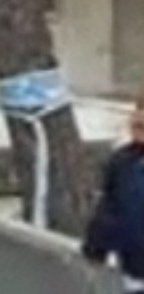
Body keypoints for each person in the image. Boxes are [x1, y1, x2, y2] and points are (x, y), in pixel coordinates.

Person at [83, 86, 144, 294]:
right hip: (134, 271)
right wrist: (95, 249)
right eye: (138, 109)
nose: (139, 117)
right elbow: (109, 209)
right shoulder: (122, 161)